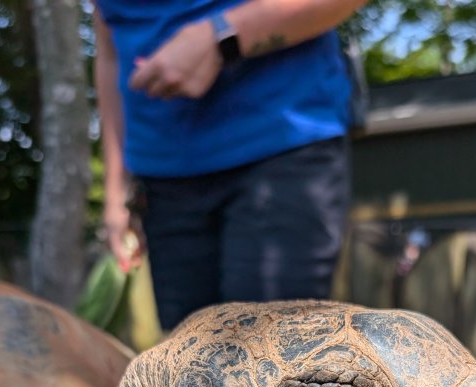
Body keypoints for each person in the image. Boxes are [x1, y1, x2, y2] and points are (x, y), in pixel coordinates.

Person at [93, 0, 366, 331]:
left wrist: (221, 36)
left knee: (267, 353)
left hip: (282, 150)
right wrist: (116, 190)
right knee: (191, 363)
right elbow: (110, 52)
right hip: (163, 181)